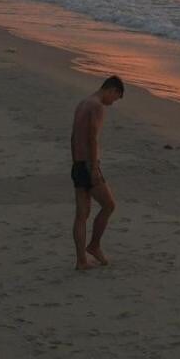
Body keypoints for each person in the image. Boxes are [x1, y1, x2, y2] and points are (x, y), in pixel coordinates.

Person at [71, 75, 124, 270]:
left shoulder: (83, 103)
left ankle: (81, 261)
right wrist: (93, 168)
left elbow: (73, 136)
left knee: (81, 214)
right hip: (88, 165)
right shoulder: (97, 106)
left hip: (77, 164)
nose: (112, 103)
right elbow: (92, 138)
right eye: (115, 98)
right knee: (109, 205)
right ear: (112, 90)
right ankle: (94, 245)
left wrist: (76, 163)